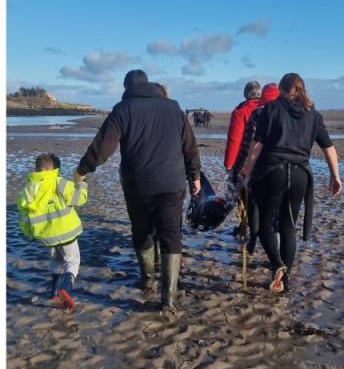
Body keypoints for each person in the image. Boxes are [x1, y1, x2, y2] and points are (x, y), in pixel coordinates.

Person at [75, 70, 201, 310]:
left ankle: (147, 279)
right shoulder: (173, 107)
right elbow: (190, 146)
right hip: (172, 184)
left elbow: (103, 147)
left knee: (142, 231)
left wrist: (82, 170)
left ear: (127, 87)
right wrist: (194, 176)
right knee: (171, 235)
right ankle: (169, 299)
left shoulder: (123, 109)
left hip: (138, 185)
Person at [240, 73, 342, 294]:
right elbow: (328, 147)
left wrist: (247, 172)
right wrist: (335, 175)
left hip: (271, 172)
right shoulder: (313, 115)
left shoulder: (271, 110)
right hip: (299, 175)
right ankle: (284, 279)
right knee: (288, 226)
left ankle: (277, 265)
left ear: (282, 90)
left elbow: (257, 145)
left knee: (266, 224)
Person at [17, 153, 88, 313]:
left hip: (46, 237)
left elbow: (23, 216)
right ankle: (66, 290)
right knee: (72, 261)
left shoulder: (27, 190)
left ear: (36, 169)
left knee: (56, 262)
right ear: (56, 169)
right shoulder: (60, 182)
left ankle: (54, 294)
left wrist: (29, 233)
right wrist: (82, 184)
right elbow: (79, 199)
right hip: (66, 232)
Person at [231, 83, 280, 255]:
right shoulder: (284, 114)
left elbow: (240, 143)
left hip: (256, 169)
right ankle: (276, 251)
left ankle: (250, 237)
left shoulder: (248, 113)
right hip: (282, 170)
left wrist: (234, 167)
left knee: (252, 205)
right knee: (275, 211)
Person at [224, 81, 262, 172]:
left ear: (245, 93)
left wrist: (229, 163)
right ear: (260, 93)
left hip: (245, 161)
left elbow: (234, 139)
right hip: (264, 162)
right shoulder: (268, 109)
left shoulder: (241, 111)